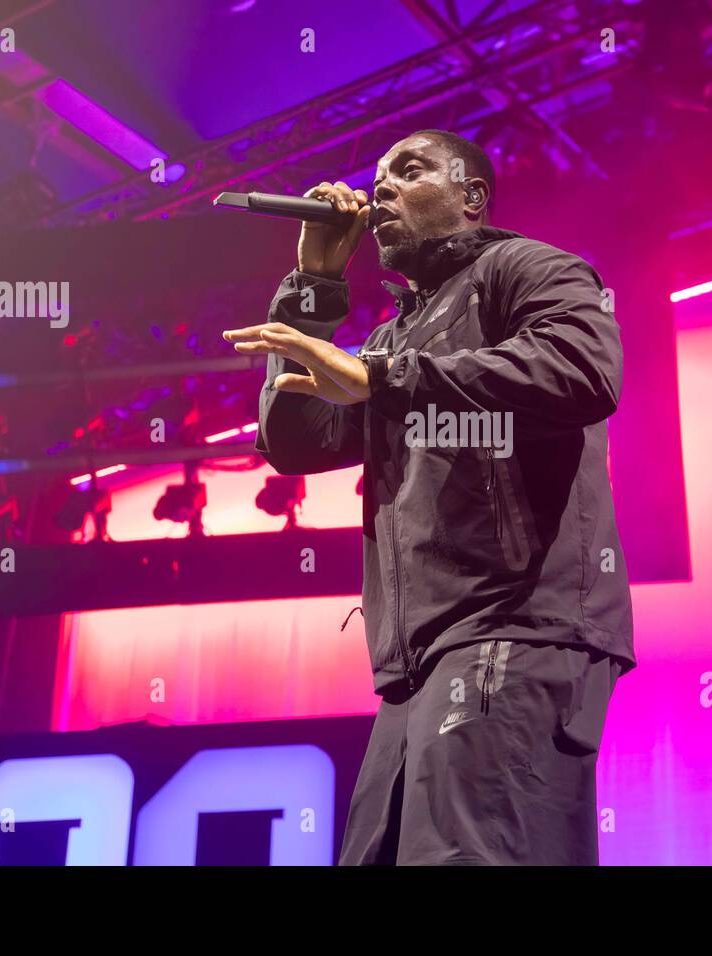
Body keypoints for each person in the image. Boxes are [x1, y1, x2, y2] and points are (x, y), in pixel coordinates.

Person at [223, 130, 635, 865]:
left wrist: (385, 379)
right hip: (418, 661)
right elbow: (299, 442)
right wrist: (316, 287)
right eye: (376, 177)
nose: (380, 189)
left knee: (465, 856)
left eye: (409, 172)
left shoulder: (525, 267)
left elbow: (582, 372)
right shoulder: (393, 336)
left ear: (472, 197)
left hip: (514, 620)